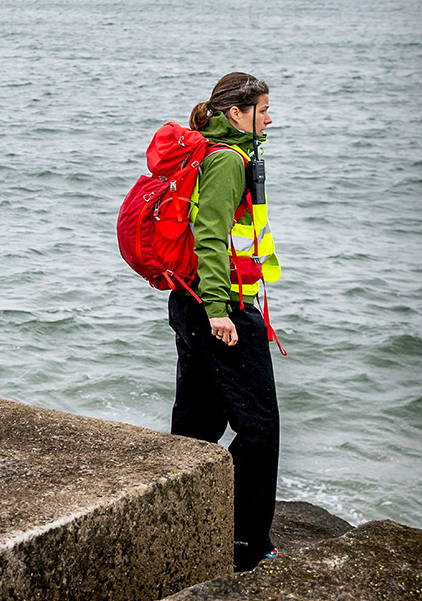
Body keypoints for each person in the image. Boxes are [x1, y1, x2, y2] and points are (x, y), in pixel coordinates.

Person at [170, 72, 283, 572]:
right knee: (259, 429)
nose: (270, 117)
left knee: (197, 424)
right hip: (218, 308)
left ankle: (179, 520)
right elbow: (211, 236)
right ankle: (247, 545)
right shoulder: (226, 161)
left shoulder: (207, 153)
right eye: (262, 109)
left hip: (191, 302)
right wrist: (220, 311)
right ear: (236, 114)